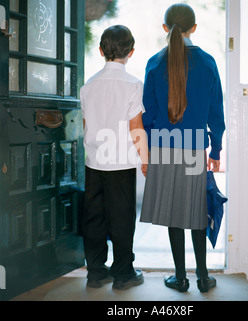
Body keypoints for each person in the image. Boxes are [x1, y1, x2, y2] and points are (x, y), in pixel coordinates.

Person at [140, 4, 226, 293]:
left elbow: (148, 115)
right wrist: (215, 149)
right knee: (196, 212)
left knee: (174, 214)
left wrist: (149, 151)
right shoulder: (208, 62)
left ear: (165, 29)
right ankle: (203, 277)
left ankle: (180, 277)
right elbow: (216, 113)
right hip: (194, 150)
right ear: (194, 28)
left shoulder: (154, 62)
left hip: (163, 148)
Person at [80, 25, 148, 290]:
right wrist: (145, 159)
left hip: (94, 160)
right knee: (121, 217)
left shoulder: (88, 86)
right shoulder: (132, 85)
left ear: (100, 51)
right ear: (131, 52)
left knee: (94, 217)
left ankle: (96, 272)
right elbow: (136, 127)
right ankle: (123, 273)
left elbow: (87, 124)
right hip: (120, 162)